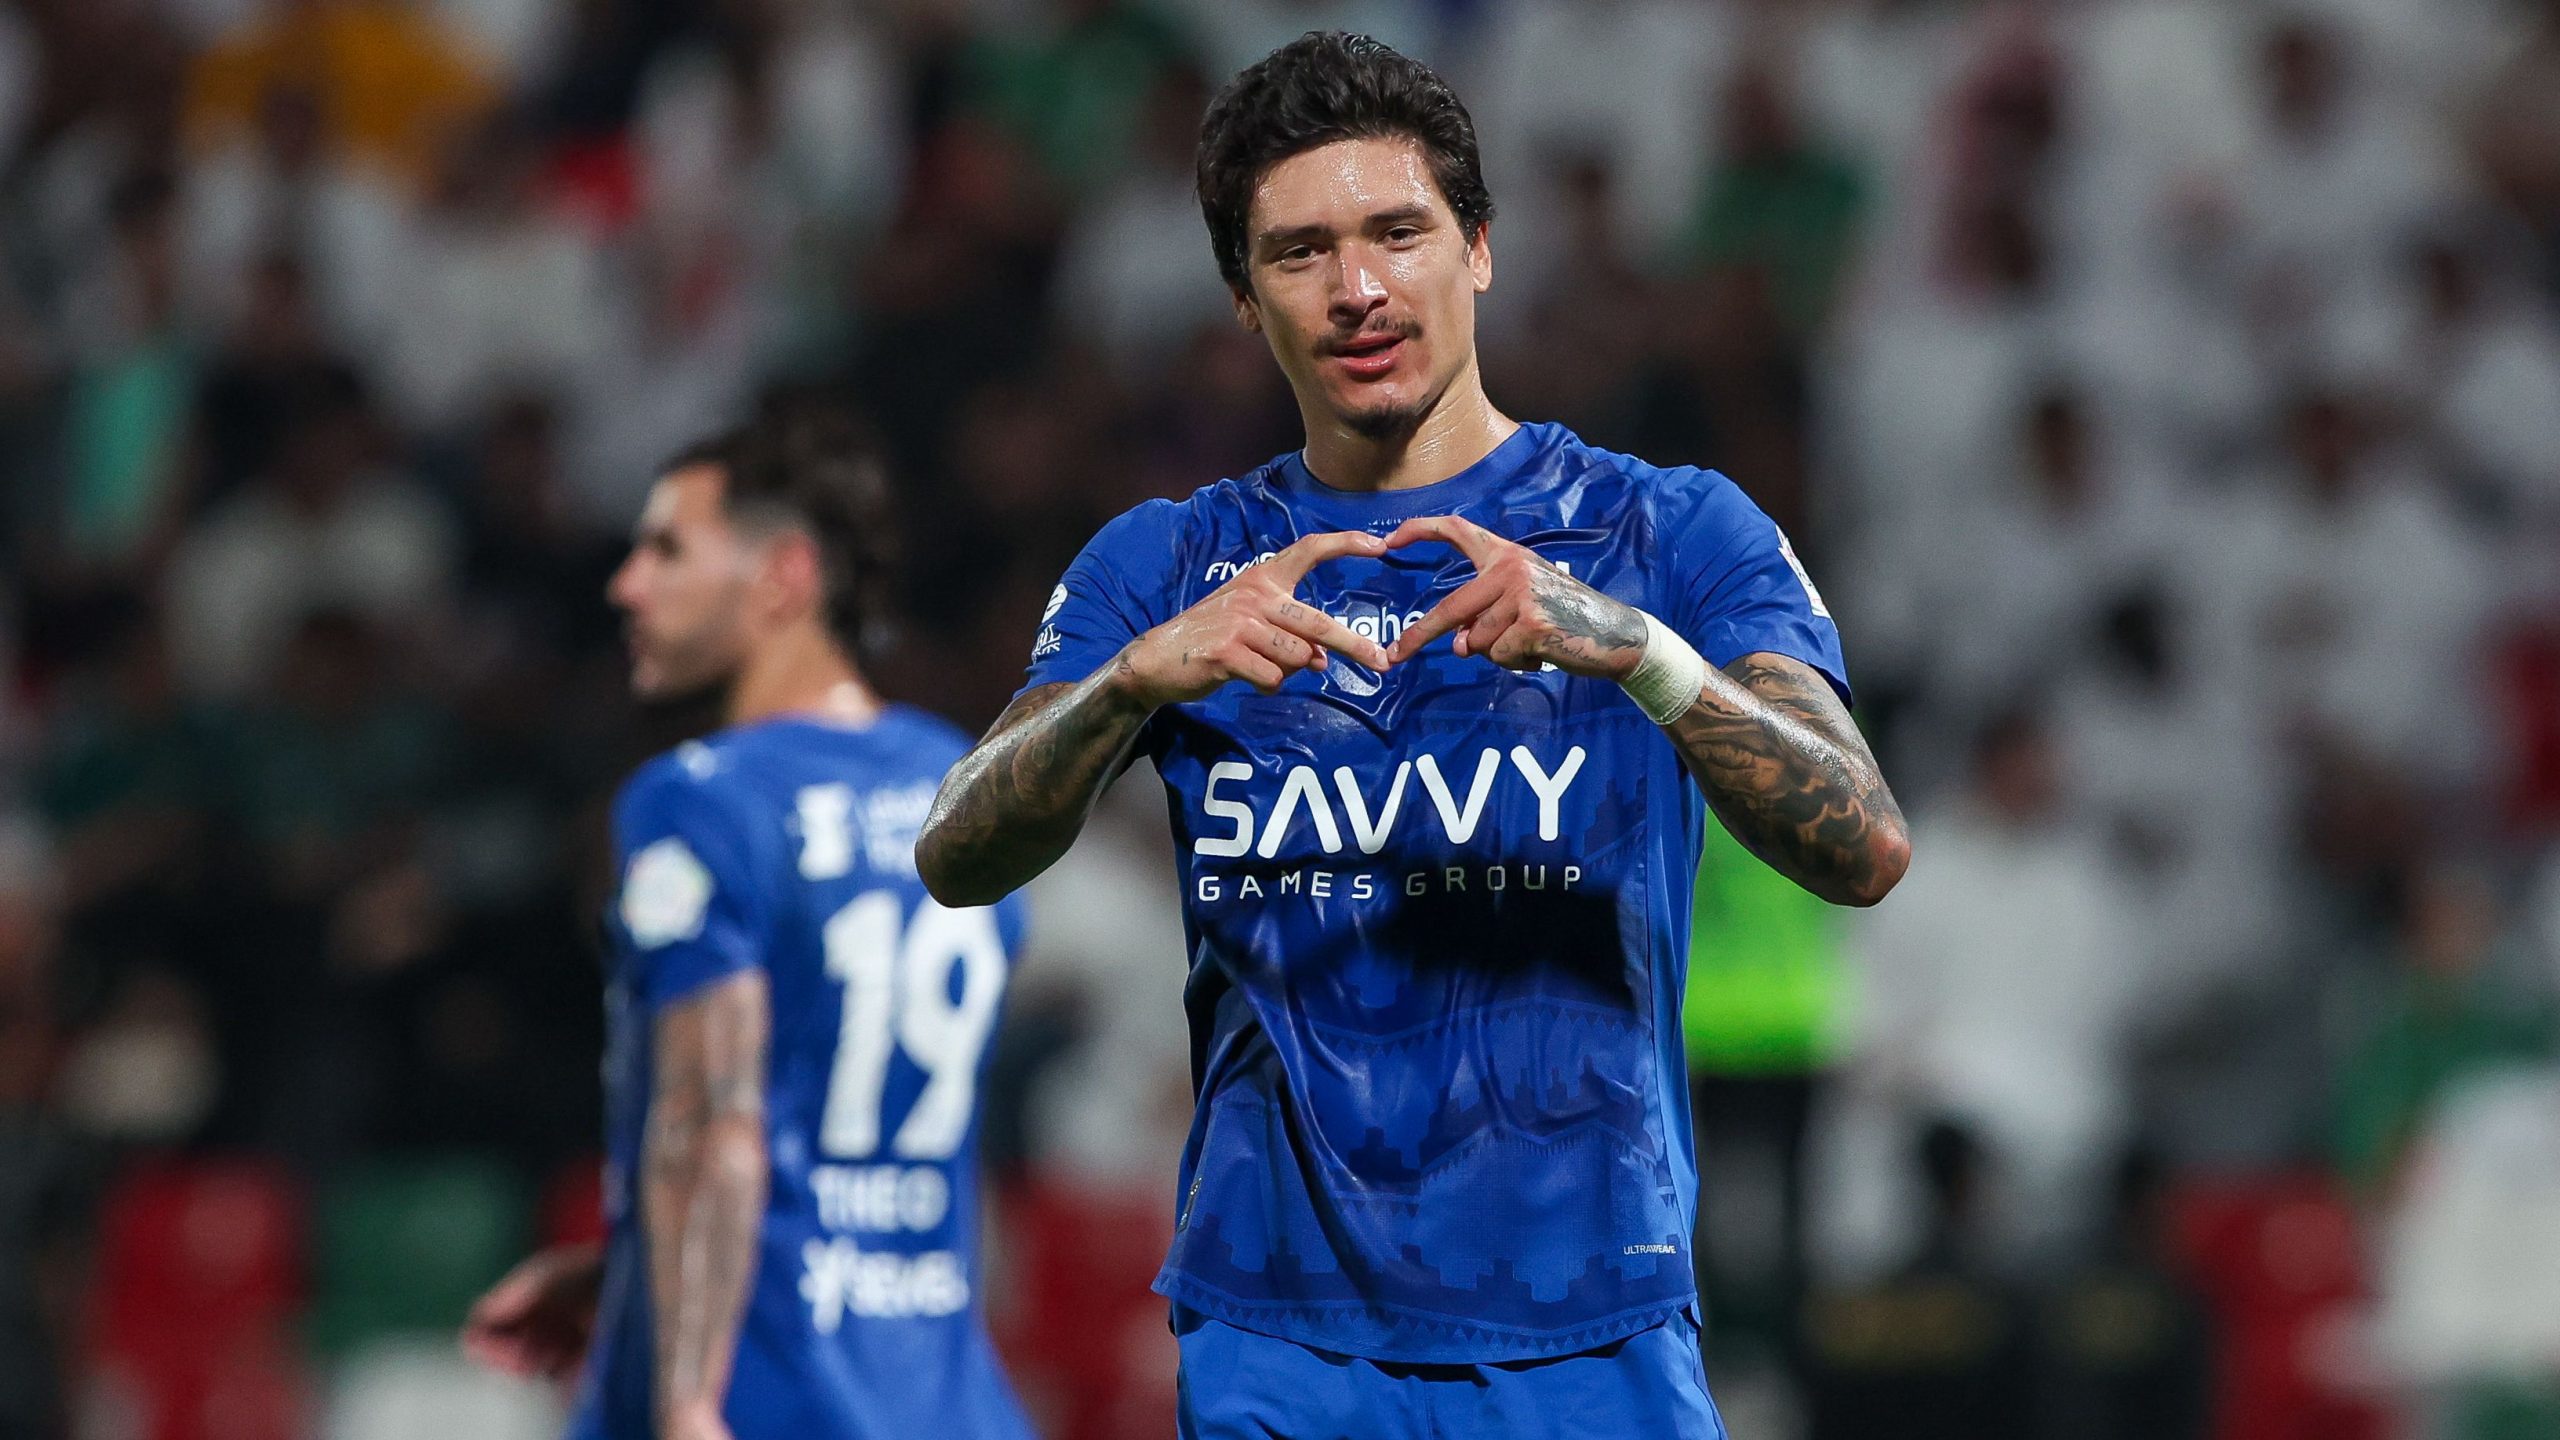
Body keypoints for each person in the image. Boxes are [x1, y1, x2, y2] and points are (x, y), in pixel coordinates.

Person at [916, 32, 1909, 1439]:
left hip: (1590, 1325)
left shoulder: (1666, 532)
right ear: (1244, 299)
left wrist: (1640, 652)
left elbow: (1864, 843)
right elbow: (956, 851)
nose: (1358, 289)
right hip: (1278, 1341)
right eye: (1300, 253)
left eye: (1397, 233)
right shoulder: (1169, 565)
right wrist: (1131, 681)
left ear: (1479, 250)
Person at [462, 413, 1034, 1440]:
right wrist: (633, 1271)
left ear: (782, 576)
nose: (627, 585)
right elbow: (842, 1120)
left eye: (667, 550)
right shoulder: (958, 782)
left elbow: (711, 1119)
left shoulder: (699, 800)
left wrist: (686, 1398)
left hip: (766, 1394)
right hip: (939, 1400)